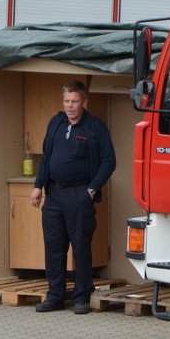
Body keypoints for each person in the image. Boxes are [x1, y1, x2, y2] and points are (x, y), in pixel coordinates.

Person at [29, 80, 116, 314]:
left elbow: (109, 161)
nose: (70, 106)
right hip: (54, 194)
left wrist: (92, 189)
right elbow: (47, 157)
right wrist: (38, 186)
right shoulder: (56, 123)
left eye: (75, 101)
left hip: (80, 195)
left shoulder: (95, 128)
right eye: (66, 101)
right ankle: (55, 296)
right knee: (54, 247)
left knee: (80, 248)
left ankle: (81, 297)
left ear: (84, 102)